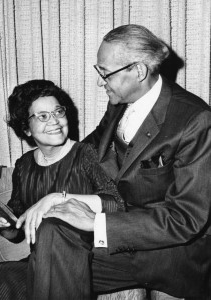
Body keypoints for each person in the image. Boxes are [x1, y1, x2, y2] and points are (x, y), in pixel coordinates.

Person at [26, 24, 211, 300]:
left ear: (138, 71)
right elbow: (87, 151)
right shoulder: (118, 102)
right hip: (119, 244)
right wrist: (50, 185)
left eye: (105, 73)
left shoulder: (194, 120)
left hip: (170, 255)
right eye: (98, 71)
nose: (100, 82)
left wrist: (97, 224)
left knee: (44, 266)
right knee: (48, 239)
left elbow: (186, 218)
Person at [0, 79, 124, 300]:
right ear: (25, 127)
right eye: (43, 116)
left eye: (58, 112)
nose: (54, 121)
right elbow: (17, 228)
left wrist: (57, 199)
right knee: (0, 275)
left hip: (88, 261)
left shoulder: (87, 154)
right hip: (39, 262)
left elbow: (117, 204)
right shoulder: (24, 166)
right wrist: (4, 223)